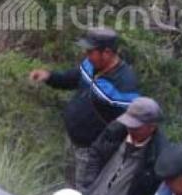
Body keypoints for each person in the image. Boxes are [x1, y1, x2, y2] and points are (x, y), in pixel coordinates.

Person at [30, 27, 140, 186]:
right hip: (72, 140)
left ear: (107, 53)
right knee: (68, 183)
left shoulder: (125, 84)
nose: (86, 55)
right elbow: (72, 79)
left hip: (90, 151)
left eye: (90, 51)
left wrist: (101, 149)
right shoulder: (91, 64)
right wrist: (49, 77)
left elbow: (126, 126)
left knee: (83, 191)